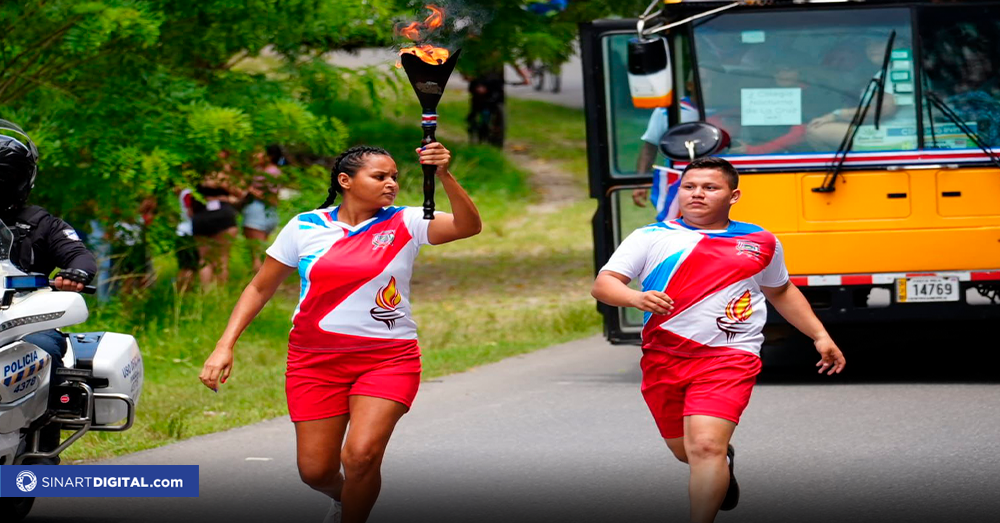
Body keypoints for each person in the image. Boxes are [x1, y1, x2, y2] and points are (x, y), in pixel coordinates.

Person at [199, 142, 481, 523]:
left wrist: (444, 175)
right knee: (315, 471)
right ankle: (346, 499)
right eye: (380, 176)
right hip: (313, 360)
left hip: (387, 359)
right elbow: (259, 287)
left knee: (360, 455)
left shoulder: (406, 222)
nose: (391, 184)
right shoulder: (305, 226)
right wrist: (224, 346)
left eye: (394, 177)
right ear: (346, 180)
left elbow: (468, 226)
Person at [591, 156, 845, 523]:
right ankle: (723, 464)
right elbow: (604, 284)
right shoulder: (652, 237)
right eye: (690, 187)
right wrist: (635, 297)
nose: (697, 194)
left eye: (710, 187)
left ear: (733, 194)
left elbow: (781, 291)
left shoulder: (760, 241)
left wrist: (820, 335)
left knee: (705, 445)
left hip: (729, 355)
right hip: (664, 357)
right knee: (687, 452)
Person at [0, 119, 96, 463]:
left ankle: (42, 436)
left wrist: (76, 273)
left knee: (42, 348)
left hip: (25, 319)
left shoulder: (42, 223)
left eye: (4, 175)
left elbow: (79, 255)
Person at [192, 151, 244, 286]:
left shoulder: (197, 174)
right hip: (223, 215)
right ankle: (220, 295)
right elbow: (240, 193)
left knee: (204, 259)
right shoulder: (224, 175)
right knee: (222, 258)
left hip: (201, 215)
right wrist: (228, 198)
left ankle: (205, 294)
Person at [242, 145, 284, 272]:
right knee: (261, 251)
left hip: (257, 212)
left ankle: (258, 285)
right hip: (270, 213)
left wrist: (248, 188)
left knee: (256, 253)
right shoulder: (276, 171)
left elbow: (268, 196)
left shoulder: (265, 172)